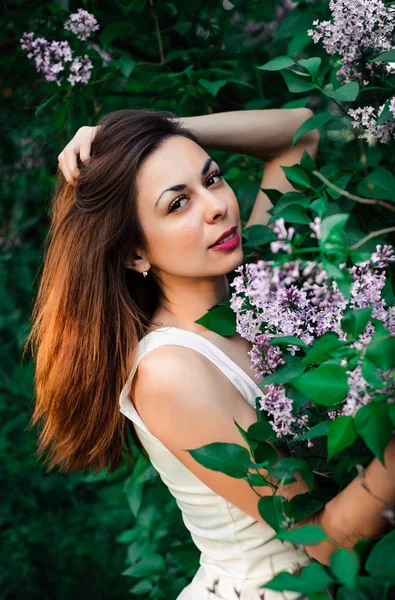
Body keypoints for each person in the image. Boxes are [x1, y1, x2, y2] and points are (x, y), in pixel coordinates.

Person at [27, 108, 395, 600]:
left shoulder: (257, 290)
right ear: (135, 254)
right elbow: (323, 540)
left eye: (212, 179)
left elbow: (298, 133)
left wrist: (164, 131)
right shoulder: (170, 370)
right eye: (177, 203)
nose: (217, 206)